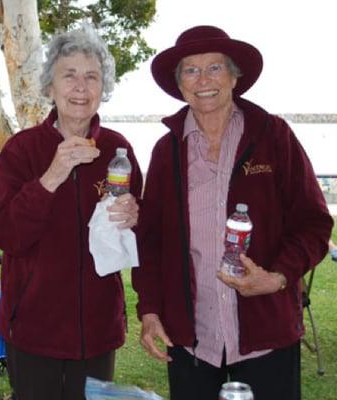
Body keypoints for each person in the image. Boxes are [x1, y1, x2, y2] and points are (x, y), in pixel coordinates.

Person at [132, 25, 334, 400]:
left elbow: (314, 223)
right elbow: (150, 241)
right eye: (190, 70)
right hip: (192, 340)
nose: (203, 79)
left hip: (266, 334)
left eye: (215, 68)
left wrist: (277, 277)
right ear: (179, 84)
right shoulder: (167, 150)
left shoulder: (274, 137)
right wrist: (149, 309)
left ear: (234, 76)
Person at [0, 23, 142, 400]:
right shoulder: (22, 151)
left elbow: (136, 234)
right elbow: (4, 233)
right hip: (34, 329)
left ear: (104, 88)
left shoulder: (118, 151)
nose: (81, 88)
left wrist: (137, 215)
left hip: (98, 330)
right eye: (69, 76)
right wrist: (51, 176)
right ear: (49, 87)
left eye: (92, 77)